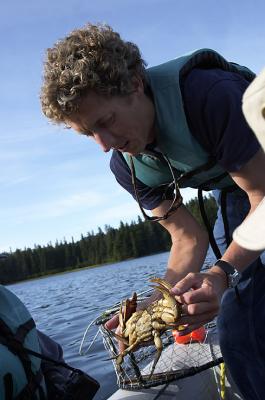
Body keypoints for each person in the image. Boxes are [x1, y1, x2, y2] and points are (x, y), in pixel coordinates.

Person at [40, 23, 265, 399]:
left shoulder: (209, 95)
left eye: (105, 122)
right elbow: (187, 236)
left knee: (241, 305)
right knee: (239, 322)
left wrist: (221, 273)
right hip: (237, 193)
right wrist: (159, 303)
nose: (104, 145)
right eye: (87, 134)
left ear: (133, 84)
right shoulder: (126, 167)